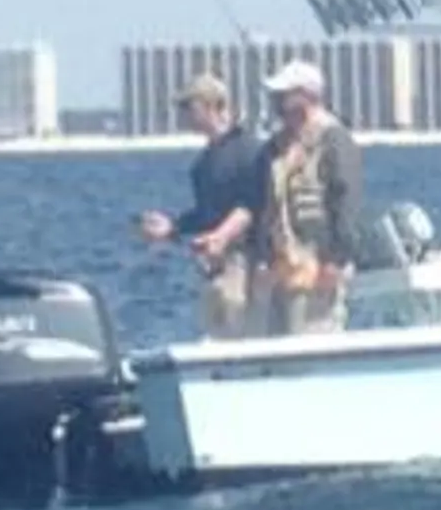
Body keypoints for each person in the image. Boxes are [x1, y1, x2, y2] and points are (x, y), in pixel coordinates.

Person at [217, 58, 364, 337]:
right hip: (281, 268)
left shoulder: (334, 139)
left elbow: (345, 200)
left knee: (313, 337)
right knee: (275, 338)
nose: (277, 101)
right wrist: (263, 256)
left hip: (317, 264)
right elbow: (264, 204)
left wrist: (335, 260)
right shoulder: (275, 146)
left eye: (284, 95)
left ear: (307, 95)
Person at [134, 71, 260, 339]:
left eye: (190, 107)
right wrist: (172, 228)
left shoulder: (248, 151)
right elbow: (206, 214)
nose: (184, 115)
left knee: (240, 332)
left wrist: (222, 236)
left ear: (214, 107)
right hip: (213, 267)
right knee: (216, 333)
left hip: (244, 264)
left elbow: (253, 204)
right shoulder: (203, 164)